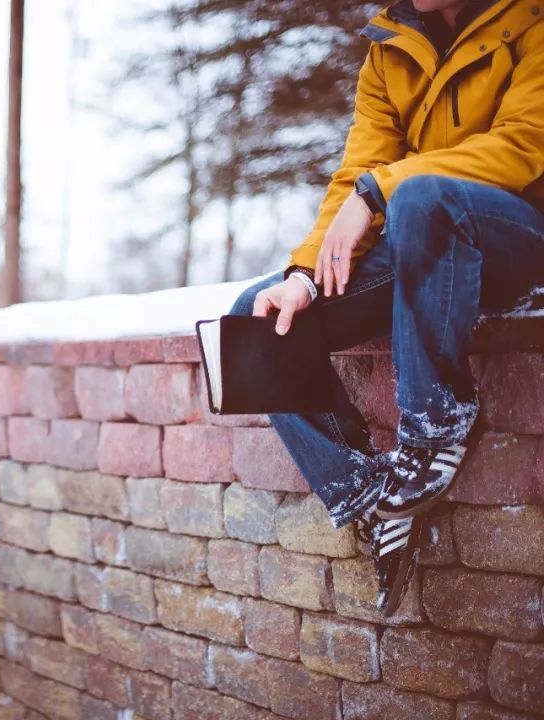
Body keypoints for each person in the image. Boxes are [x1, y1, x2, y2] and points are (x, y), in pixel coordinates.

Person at [228, 0, 544, 615]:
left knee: (425, 198)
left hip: (516, 237)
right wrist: (306, 274)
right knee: (257, 318)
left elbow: (522, 146)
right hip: (421, 240)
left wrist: (380, 191)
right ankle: (370, 492)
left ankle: (433, 428)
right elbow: (358, 169)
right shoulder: (389, 46)